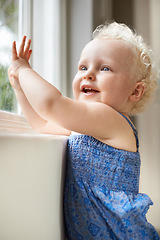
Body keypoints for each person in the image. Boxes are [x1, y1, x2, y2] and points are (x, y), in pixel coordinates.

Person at [8, 21, 160, 239]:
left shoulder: (110, 119)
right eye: (82, 67)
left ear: (135, 91)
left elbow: (52, 105)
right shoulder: (87, 126)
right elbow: (42, 123)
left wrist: (23, 69)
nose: (88, 74)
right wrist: (20, 89)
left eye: (104, 68)